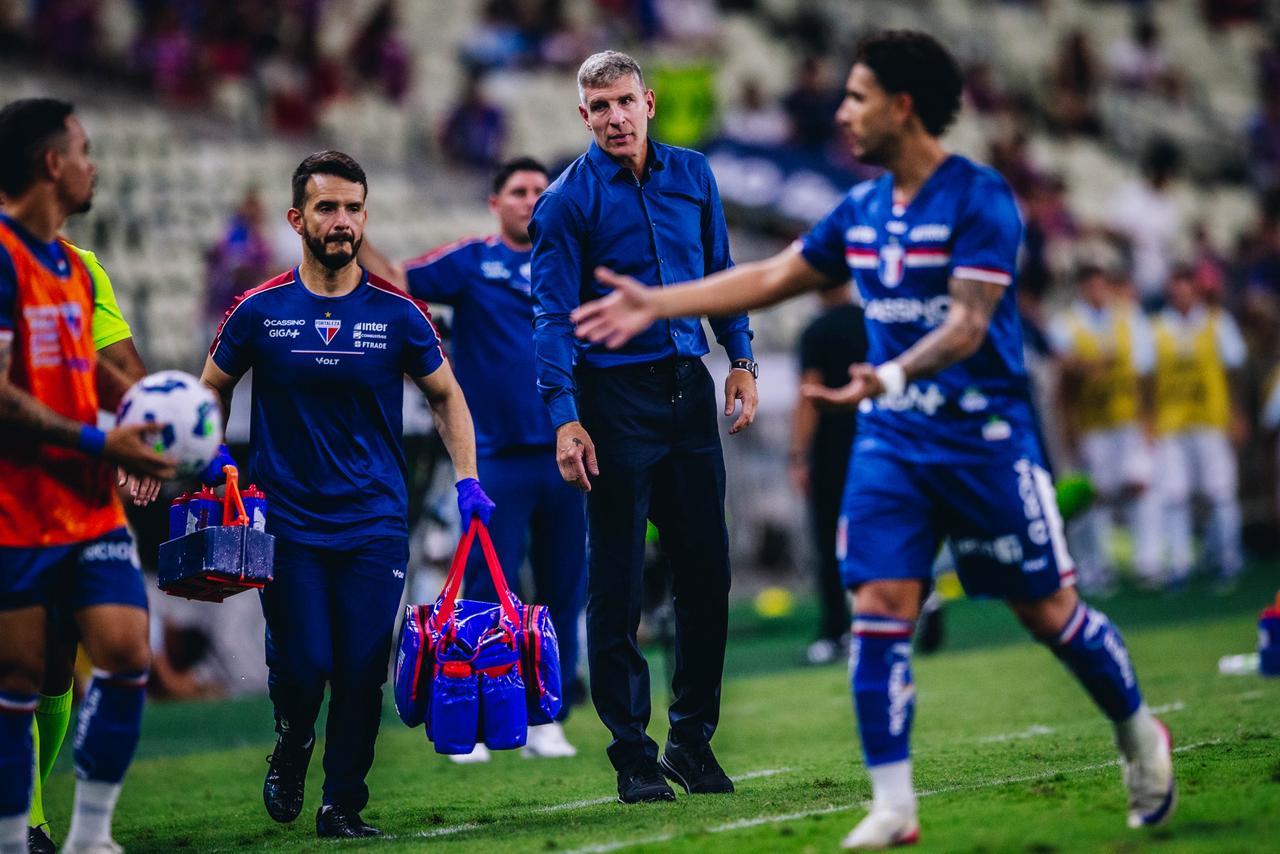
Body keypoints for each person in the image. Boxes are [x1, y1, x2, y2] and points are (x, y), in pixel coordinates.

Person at [572, 31, 1176, 848]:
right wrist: (659, 305)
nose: (842, 112)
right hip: (892, 444)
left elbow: (967, 324)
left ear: (903, 107)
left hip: (981, 437)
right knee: (879, 610)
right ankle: (894, 804)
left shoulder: (980, 198)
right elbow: (769, 276)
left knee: (1048, 611)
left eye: (856, 98)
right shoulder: (859, 210)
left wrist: (889, 376)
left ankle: (1139, 729)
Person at [199, 150, 493, 840]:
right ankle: (293, 739)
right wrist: (210, 450)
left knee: (362, 668)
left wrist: (470, 479)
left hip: (374, 520)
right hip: (286, 522)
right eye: (328, 208)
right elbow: (208, 388)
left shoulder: (398, 313)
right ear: (297, 218)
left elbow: (447, 397)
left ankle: (342, 804)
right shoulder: (257, 310)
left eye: (354, 208)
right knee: (305, 666)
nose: (343, 221)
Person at [530, 50, 759, 804]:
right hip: (612, 403)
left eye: (625, 101)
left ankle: (692, 742)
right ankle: (632, 753)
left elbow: (720, 272)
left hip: (688, 393)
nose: (615, 118)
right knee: (618, 585)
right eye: (600, 108)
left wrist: (742, 358)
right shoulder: (565, 203)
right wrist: (566, 419)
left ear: (650, 101)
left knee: (707, 577)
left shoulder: (694, 175)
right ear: (583, 117)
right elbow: (552, 318)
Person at [359, 156, 586, 762]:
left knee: (564, 592)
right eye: (519, 190)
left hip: (566, 455)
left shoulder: (575, 262)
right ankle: (478, 719)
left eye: (541, 189)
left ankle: (547, 720)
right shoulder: (472, 260)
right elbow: (398, 281)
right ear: (496, 202)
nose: (532, 199)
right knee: (489, 589)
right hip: (493, 459)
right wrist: (360, 238)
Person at [0, 97, 176, 854]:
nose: (93, 163)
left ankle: (89, 837)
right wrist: (104, 442)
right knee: (17, 676)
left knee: (125, 651)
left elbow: (99, 368)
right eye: (83, 149)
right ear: (52, 164)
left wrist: (148, 417)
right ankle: (18, 833)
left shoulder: (76, 266)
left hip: (87, 503)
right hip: (15, 501)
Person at [1047, 265, 1161, 592]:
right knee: (1093, 496)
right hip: (1091, 423)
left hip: (1128, 420)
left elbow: (1145, 374)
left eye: (1102, 287)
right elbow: (1062, 380)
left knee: (1140, 487)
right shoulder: (1066, 325)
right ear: (1082, 290)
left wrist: (1148, 420)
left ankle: (1148, 563)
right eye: (1090, 287)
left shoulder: (1130, 319)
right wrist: (1068, 427)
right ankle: (1096, 568)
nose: (1097, 293)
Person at [1150, 268, 1248, 588]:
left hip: (1211, 420)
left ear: (1195, 291)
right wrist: (1147, 420)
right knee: (1174, 495)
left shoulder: (1217, 323)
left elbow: (1234, 372)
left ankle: (1227, 559)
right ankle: (1179, 565)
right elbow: (1145, 378)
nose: (1180, 296)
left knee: (1219, 493)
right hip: (1171, 424)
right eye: (1175, 290)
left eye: (1185, 289)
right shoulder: (1156, 328)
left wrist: (1237, 415)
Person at [789, 283, 866, 664]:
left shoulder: (816, 331)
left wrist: (799, 454)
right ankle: (914, 602)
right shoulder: (871, 322)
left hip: (833, 448)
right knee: (883, 528)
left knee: (830, 540)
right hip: (877, 441)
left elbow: (810, 395)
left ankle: (837, 628)